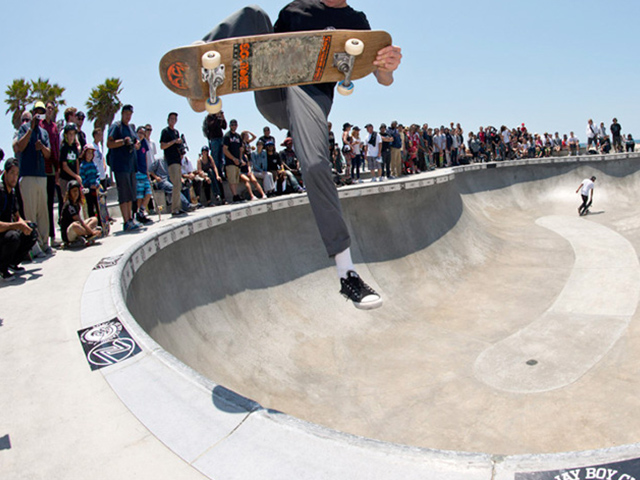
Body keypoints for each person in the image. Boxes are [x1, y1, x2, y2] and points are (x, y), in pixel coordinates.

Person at [190, 2, 401, 309]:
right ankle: (202, 65)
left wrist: (387, 68)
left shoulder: (356, 22)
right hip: (274, 91)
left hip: (311, 97)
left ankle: (347, 273)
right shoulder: (296, 10)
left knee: (316, 164)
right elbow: (263, 46)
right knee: (254, 15)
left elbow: (382, 78)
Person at [12, 101, 52, 253]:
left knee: (43, 211)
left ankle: (44, 242)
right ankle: (33, 246)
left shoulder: (44, 132)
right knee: (30, 211)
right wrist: (30, 130)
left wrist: (42, 148)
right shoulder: (24, 128)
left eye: (41, 111)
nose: (39, 114)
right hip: (27, 175)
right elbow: (19, 147)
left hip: (41, 175)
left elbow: (48, 154)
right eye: (37, 111)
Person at [0, 159, 38, 281]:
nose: (14, 177)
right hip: (3, 234)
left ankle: (13, 263)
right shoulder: (0, 192)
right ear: (5, 174)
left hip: (6, 232)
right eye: (12, 173)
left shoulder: (12, 193)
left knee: (31, 231)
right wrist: (17, 225)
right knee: (13, 237)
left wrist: (24, 224)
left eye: (17, 174)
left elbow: (17, 216)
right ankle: (2, 269)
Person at [106, 104, 142, 230]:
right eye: (126, 114)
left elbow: (137, 142)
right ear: (122, 114)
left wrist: (136, 144)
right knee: (124, 194)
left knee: (131, 194)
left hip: (131, 166)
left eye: (130, 114)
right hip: (121, 165)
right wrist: (123, 142)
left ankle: (131, 219)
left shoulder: (131, 128)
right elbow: (109, 143)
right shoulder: (116, 126)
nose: (128, 116)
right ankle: (126, 221)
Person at [41, 101, 62, 248]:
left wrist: (58, 170)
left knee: (51, 204)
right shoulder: (40, 126)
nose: (49, 111)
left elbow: (56, 149)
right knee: (44, 205)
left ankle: (53, 236)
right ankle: (44, 239)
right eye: (47, 108)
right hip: (42, 169)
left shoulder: (54, 127)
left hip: (53, 169)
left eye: (51, 109)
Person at [160, 112, 188, 217]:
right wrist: (174, 141)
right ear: (168, 120)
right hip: (171, 161)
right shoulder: (165, 131)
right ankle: (174, 209)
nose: (173, 121)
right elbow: (162, 146)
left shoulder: (176, 132)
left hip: (178, 160)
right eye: (171, 119)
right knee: (176, 184)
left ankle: (178, 207)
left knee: (179, 184)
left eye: (175, 119)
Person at [59, 180, 101, 247]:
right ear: (69, 193)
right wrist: (91, 232)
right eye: (73, 191)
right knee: (75, 225)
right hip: (69, 233)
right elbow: (79, 220)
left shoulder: (77, 204)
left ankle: (86, 233)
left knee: (94, 219)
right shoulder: (68, 205)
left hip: (78, 228)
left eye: (77, 191)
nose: (76, 193)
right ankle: (89, 234)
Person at [134, 126, 153, 224]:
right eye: (140, 133)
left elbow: (145, 156)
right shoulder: (135, 143)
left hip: (144, 172)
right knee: (140, 195)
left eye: (143, 133)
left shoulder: (144, 143)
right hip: (137, 172)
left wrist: (147, 171)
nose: (141, 135)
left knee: (148, 192)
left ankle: (141, 210)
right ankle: (139, 214)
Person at [59, 123, 82, 196]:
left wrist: (78, 175)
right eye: (70, 134)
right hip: (65, 178)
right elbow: (64, 166)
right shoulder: (64, 148)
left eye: (73, 134)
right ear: (66, 135)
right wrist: (75, 175)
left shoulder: (75, 147)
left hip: (74, 178)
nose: (71, 136)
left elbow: (77, 161)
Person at [79, 144, 100, 219]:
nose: (90, 155)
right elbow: (82, 178)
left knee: (98, 207)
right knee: (90, 207)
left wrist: (97, 183)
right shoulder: (82, 165)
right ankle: (92, 221)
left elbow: (98, 174)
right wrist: (88, 185)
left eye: (91, 153)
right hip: (88, 190)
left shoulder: (94, 164)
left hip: (96, 189)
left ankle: (100, 223)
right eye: (88, 153)